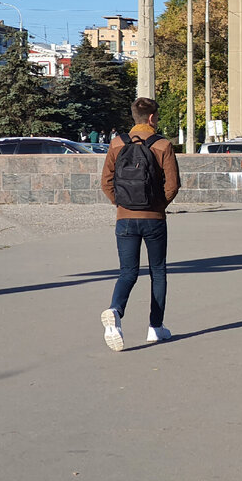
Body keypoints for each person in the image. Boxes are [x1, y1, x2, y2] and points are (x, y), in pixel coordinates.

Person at [99, 97, 181, 352]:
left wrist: (121, 204)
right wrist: (158, 206)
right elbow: (173, 185)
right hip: (154, 219)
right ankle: (155, 328)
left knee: (127, 272)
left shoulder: (116, 143)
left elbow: (106, 182)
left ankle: (115, 310)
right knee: (157, 272)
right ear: (152, 118)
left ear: (134, 117)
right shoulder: (163, 145)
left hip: (124, 219)